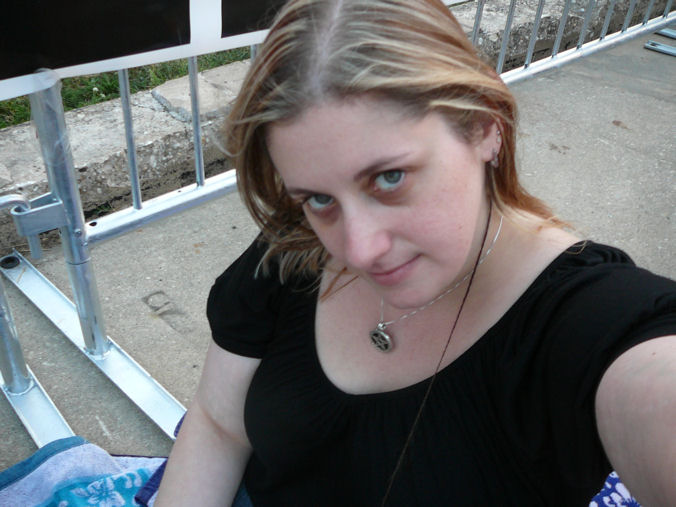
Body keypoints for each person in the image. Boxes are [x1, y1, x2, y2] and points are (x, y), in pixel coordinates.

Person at [155, 0, 676, 505]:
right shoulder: (293, 247)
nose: (359, 249)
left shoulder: (591, 321)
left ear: (484, 124)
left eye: (389, 178)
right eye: (319, 199)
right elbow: (219, 425)